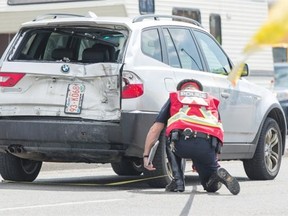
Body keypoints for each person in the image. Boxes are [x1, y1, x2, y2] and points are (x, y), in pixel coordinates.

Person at [143, 79, 240, 195]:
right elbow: (218, 130)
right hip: (208, 145)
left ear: (182, 89)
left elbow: (155, 129)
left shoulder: (177, 97)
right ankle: (217, 172)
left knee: (169, 134)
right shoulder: (210, 100)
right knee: (210, 186)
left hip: (181, 143)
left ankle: (178, 181)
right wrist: (212, 159)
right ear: (198, 91)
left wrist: (146, 156)